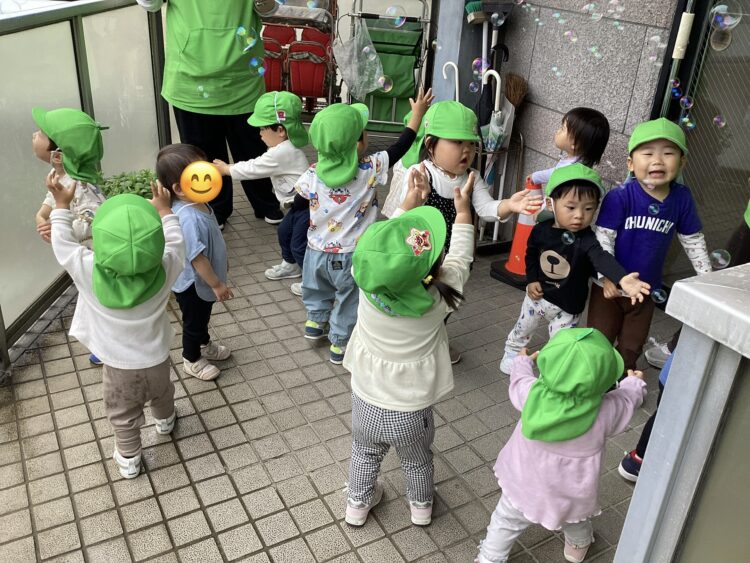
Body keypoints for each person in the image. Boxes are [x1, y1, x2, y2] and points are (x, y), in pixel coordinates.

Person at [343, 170, 476, 528]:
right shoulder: (439, 297)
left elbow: (379, 251)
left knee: (364, 453)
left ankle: (357, 505)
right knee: (417, 460)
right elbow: (460, 259)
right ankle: (421, 508)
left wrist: (406, 203)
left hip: (366, 399)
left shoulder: (366, 281)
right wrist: (463, 212)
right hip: (411, 409)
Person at [47, 179, 185, 479]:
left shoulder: (87, 270)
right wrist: (165, 211)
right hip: (157, 358)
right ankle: (165, 422)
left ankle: (130, 458)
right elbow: (176, 242)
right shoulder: (166, 267)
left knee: (123, 414)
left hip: (119, 368)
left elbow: (64, 246)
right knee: (163, 392)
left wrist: (60, 206)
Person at [477, 328, 647, 563]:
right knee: (574, 519)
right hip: (571, 491)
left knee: (506, 520)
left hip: (523, 481)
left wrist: (522, 362)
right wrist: (634, 384)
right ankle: (578, 545)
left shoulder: (532, 394)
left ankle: (490, 558)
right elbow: (627, 400)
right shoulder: (605, 411)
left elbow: (518, 380)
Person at [392, 100, 541, 364]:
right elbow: (402, 218)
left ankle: (436, 338)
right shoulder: (421, 173)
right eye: (457, 142)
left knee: (446, 301)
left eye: (471, 144)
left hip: (456, 259)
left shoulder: (472, 177)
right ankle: (413, 341)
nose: (467, 150)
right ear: (430, 144)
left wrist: (510, 205)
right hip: (423, 260)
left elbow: (487, 208)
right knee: (419, 298)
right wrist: (418, 198)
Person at [295, 89, 434, 364]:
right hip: (351, 254)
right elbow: (401, 146)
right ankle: (339, 343)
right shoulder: (370, 167)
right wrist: (417, 115)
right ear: (358, 144)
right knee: (349, 298)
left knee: (317, 287)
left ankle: (315, 321)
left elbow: (298, 204)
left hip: (316, 250)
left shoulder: (312, 173)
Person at [619, 197, 750, 481]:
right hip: (689, 374)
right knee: (676, 416)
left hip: (679, 369)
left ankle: (641, 459)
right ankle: (643, 461)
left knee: (668, 412)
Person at [136, 0, 283, 228]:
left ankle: (265, 202)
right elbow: (150, 4)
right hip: (190, 80)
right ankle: (214, 209)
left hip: (242, 78)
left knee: (252, 147)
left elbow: (269, 9)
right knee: (202, 155)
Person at [498, 164, 650, 374]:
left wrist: (621, 278)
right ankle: (512, 352)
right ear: (550, 204)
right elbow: (531, 255)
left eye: (588, 209)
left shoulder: (587, 239)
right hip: (537, 297)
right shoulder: (540, 231)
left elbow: (601, 257)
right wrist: (531, 279)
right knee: (523, 328)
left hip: (568, 307)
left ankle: (552, 371)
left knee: (561, 344)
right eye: (571, 207)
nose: (579, 215)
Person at [588, 117, 711, 371]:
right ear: (631, 164)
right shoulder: (620, 197)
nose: (658, 160)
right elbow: (603, 239)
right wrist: (608, 278)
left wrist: (707, 278)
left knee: (632, 345)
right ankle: (595, 380)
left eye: (668, 153)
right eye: (648, 153)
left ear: (682, 162)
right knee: (598, 341)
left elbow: (692, 239)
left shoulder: (681, 198)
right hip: (609, 289)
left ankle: (623, 382)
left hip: (646, 290)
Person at [212, 91, 310, 294]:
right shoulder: (282, 148)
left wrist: (227, 169)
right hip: (296, 205)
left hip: (307, 207)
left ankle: (312, 282)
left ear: (280, 130)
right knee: (284, 232)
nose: (260, 134)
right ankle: (291, 265)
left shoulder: (283, 152)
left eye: (263, 128)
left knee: (299, 244)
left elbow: (254, 168)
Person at [32, 107, 108, 366]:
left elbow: (94, 221)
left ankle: (107, 347)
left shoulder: (81, 186)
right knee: (90, 299)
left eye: (41, 133)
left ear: (57, 155)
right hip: (83, 255)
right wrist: (42, 215)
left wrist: (60, 227)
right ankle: (102, 343)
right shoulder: (64, 177)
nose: (34, 135)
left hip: (94, 258)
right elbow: (52, 198)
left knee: (98, 300)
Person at [157, 144, 233, 381]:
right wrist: (216, 284)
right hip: (193, 283)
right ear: (179, 188)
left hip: (204, 279)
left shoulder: (200, 203)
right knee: (194, 321)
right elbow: (196, 257)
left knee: (202, 316)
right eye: (198, 174)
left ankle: (204, 343)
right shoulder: (187, 216)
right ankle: (191, 359)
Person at [528, 107, 610, 188]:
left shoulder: (571, 172)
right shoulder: (581, 166)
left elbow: (555, 173)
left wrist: (534, 177)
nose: (558, 131)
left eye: (562, 128)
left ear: (576, 144)